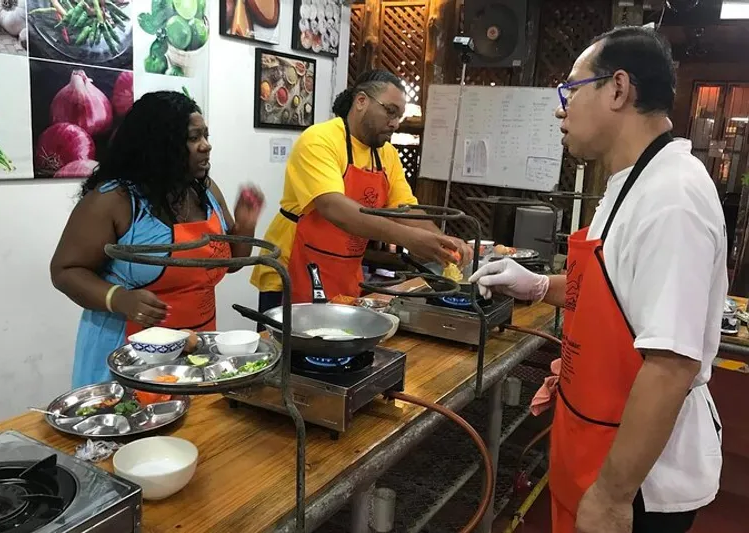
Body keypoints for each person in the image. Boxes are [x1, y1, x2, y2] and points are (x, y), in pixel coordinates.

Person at [470, 27, 725, 533]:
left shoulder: (673, 197)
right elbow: (617, 294)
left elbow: (671, 365)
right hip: (592, 437)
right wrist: (538, 286)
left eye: (571, 89)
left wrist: (611, 496)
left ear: (617, 89)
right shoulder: (630, 181)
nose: (560, 109)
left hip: (642, 483)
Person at [51, 91, 264, 388]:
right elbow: (65, 271)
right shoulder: (114, 200)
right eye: (194, 138)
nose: (206, 146)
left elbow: (230, 263)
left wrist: (246, 225)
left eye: (206, 136)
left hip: (193, 345)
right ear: (160, 144)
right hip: (126, 349)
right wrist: (118, 298)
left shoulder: (205, 192)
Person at [250, 70, 472, 311]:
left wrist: (442, 241)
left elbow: (405, 209)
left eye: (399, 116)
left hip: (344, 271)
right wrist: (409, 238)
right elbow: (333, 207)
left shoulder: (387, 154)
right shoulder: (319, 139)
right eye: (390, 111)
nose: (396, 123)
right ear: (361, 101)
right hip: (292, 270)